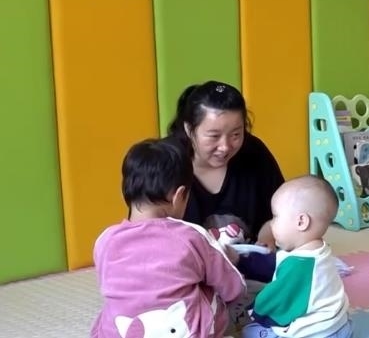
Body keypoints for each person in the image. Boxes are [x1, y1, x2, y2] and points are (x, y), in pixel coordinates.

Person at [91, 137, 246, 337]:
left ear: (125, 194)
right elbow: (233, 288)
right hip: (185, 331)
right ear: (179, 195)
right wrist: (230, 259)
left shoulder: (105, 240)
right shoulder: (190, 235)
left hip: (123, 331)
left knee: (110, 310)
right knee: (214, 292)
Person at [167, 80, 285, 282]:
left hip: (250, 267)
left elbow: (285, 210)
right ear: (188, 129)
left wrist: (269, 233)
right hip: (189, 275)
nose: (225, 147)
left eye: (236, 134)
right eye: (214, 136)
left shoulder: (254, 152)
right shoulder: (166, 162)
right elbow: (144, 229)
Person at [242, 175, 352, 338]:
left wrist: (255, 310)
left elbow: (278, 297)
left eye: (275, 216)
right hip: (340, 325)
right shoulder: (319, 251)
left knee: (249, 331)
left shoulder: (299, 264)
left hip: (319, 333)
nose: (271, 223)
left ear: (301, 222)